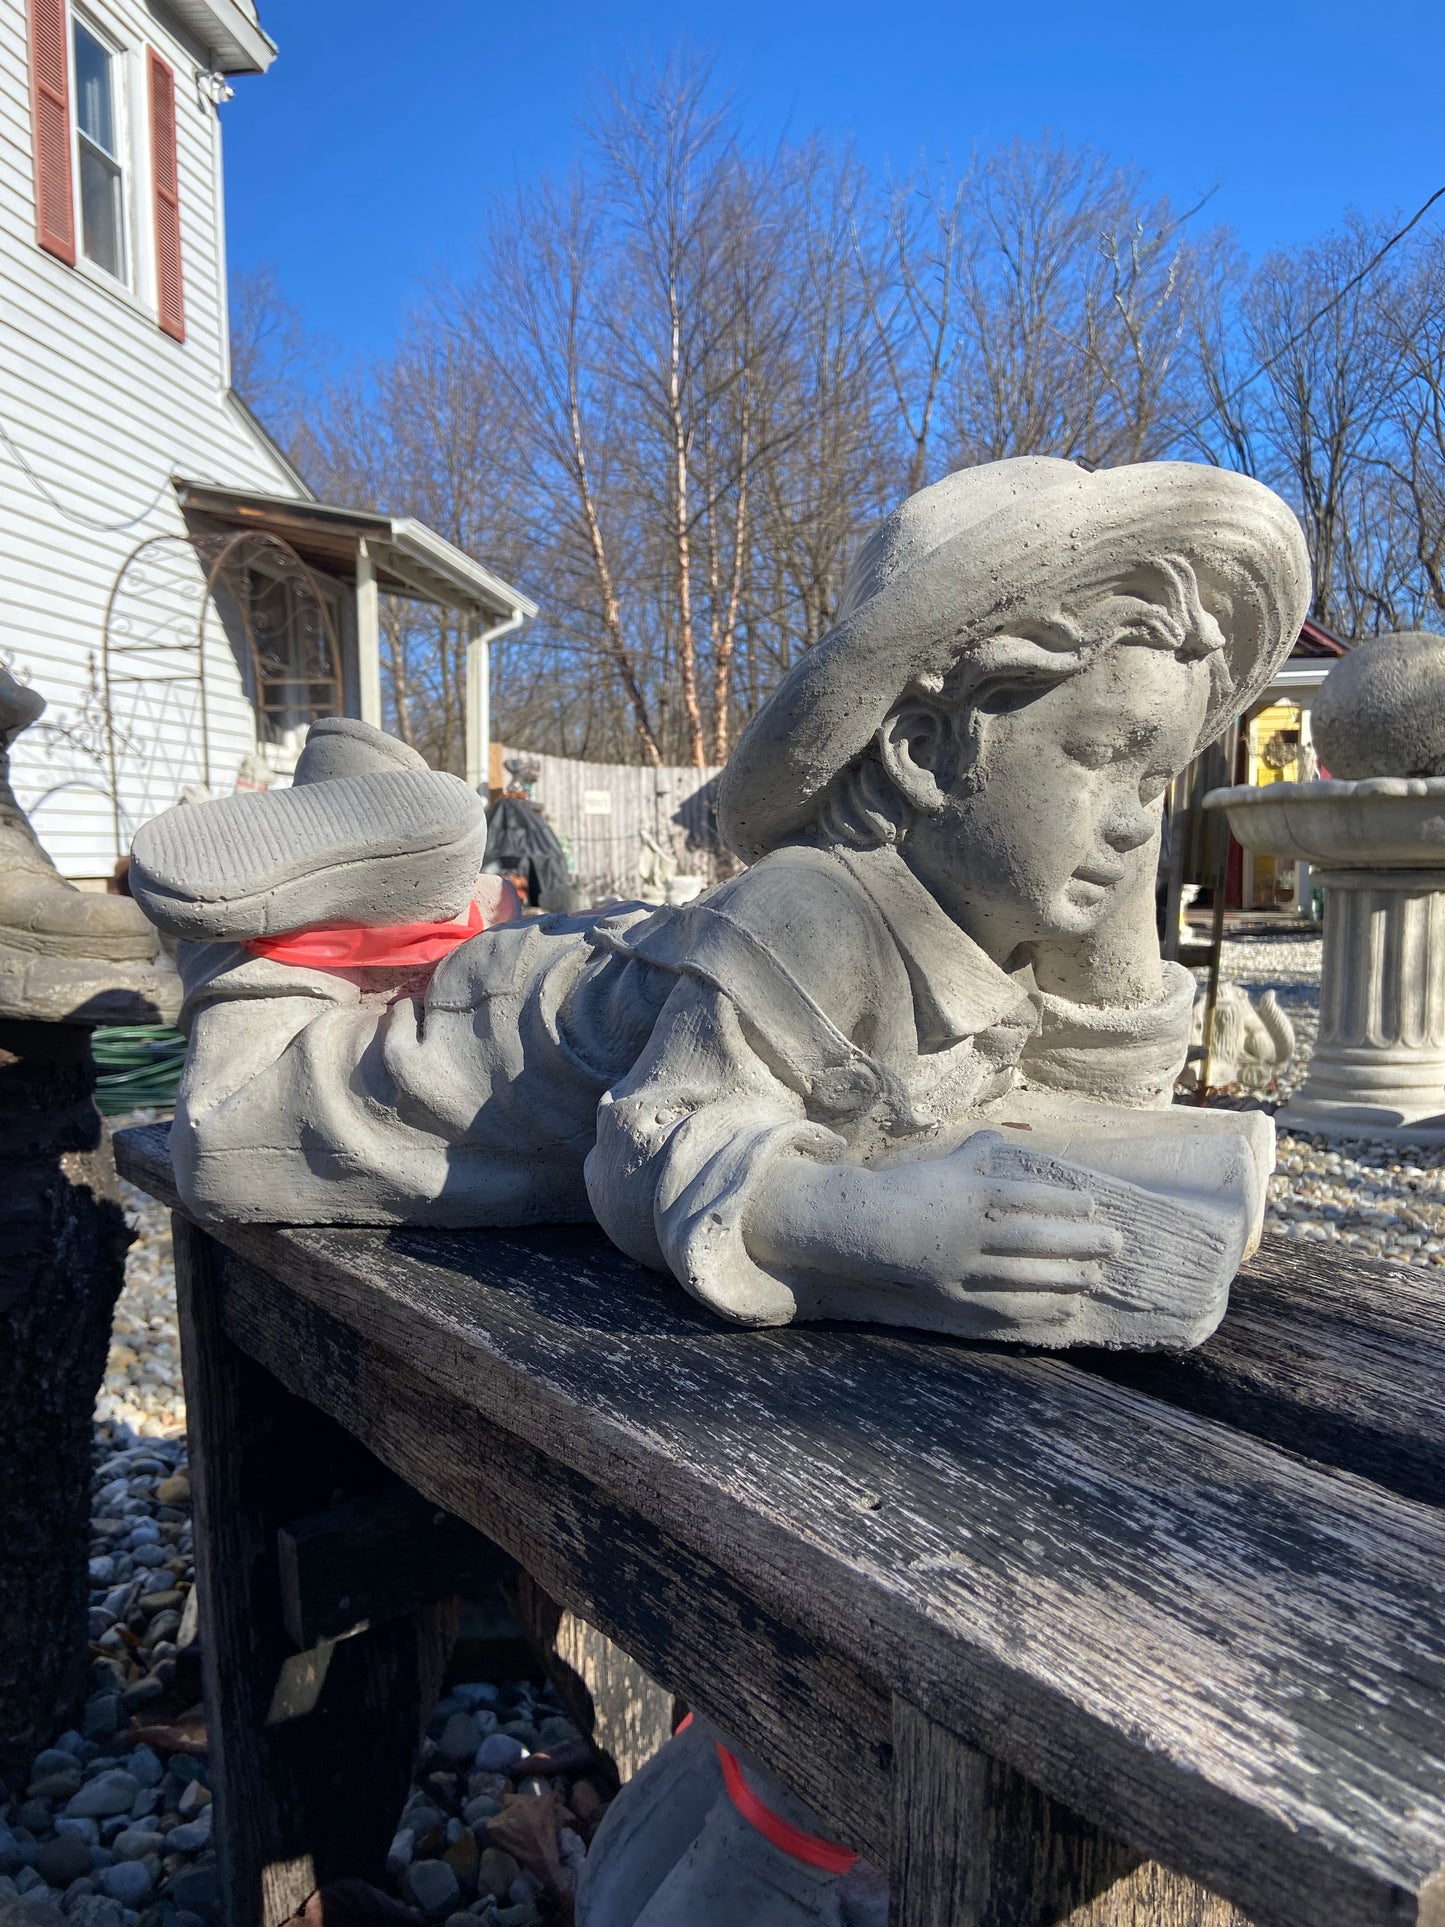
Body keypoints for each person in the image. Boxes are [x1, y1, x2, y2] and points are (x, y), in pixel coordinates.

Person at [130, 457, 1310, 1349]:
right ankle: (313, 905)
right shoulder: (813, 915)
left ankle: (397, 849)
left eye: (1156, 784)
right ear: (914, 751)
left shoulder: (983, 935)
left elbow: (1088, 1089)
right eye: (1098, 757)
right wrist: (881, 1231)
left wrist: (1115, 845)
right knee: (232, 1131)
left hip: (615, 965)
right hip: (485, 1058)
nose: (1132, 820)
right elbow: (650, 1148)